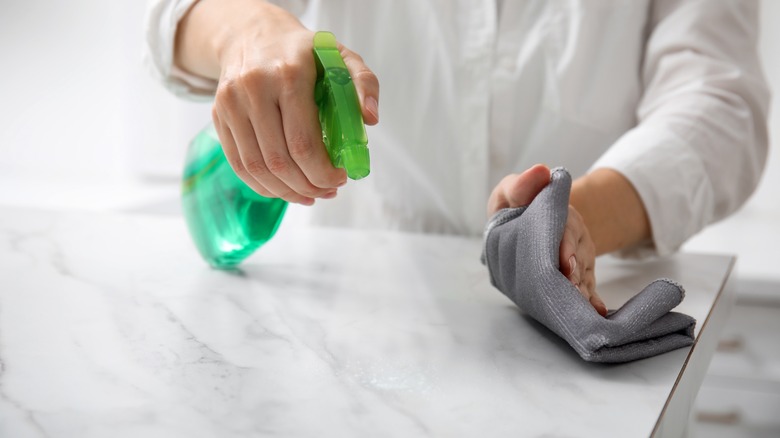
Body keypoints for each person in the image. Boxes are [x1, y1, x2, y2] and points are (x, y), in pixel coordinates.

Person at [145, 0, 769, 316]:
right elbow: (178, 16)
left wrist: (569, 220)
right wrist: (249, 32)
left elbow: (719, 105)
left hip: (591, 311)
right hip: (363, 315)